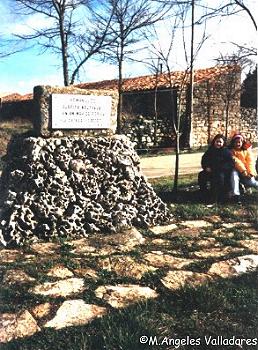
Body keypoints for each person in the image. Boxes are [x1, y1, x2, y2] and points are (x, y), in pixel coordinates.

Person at [198, 134, 234, 203]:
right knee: (201, 175)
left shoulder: (226, 152)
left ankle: (216, 196)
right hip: (210, 170)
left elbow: (230, 164)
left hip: (221, 172)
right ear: (214, 141)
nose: (218, 143)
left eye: (220, 142)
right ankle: (204, 193)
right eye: (217, 141)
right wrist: (206, 167)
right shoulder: (210, 150)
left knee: (219, 178)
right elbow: (204, 160)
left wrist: (220, 168)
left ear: (223, 143)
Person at [229, 134, 258, 202]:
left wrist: (250, 172)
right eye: (236, 142)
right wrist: (243, 171)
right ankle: (236, 195)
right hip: (237, 170)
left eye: (239, 142)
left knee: (252, 182)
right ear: (233, 143)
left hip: (247, 172)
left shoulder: (247, 151)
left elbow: (250, 161)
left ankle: (245, 186)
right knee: (234, 176)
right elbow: (236, 161)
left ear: (242, 142)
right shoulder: (231, 151)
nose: (238, 144)